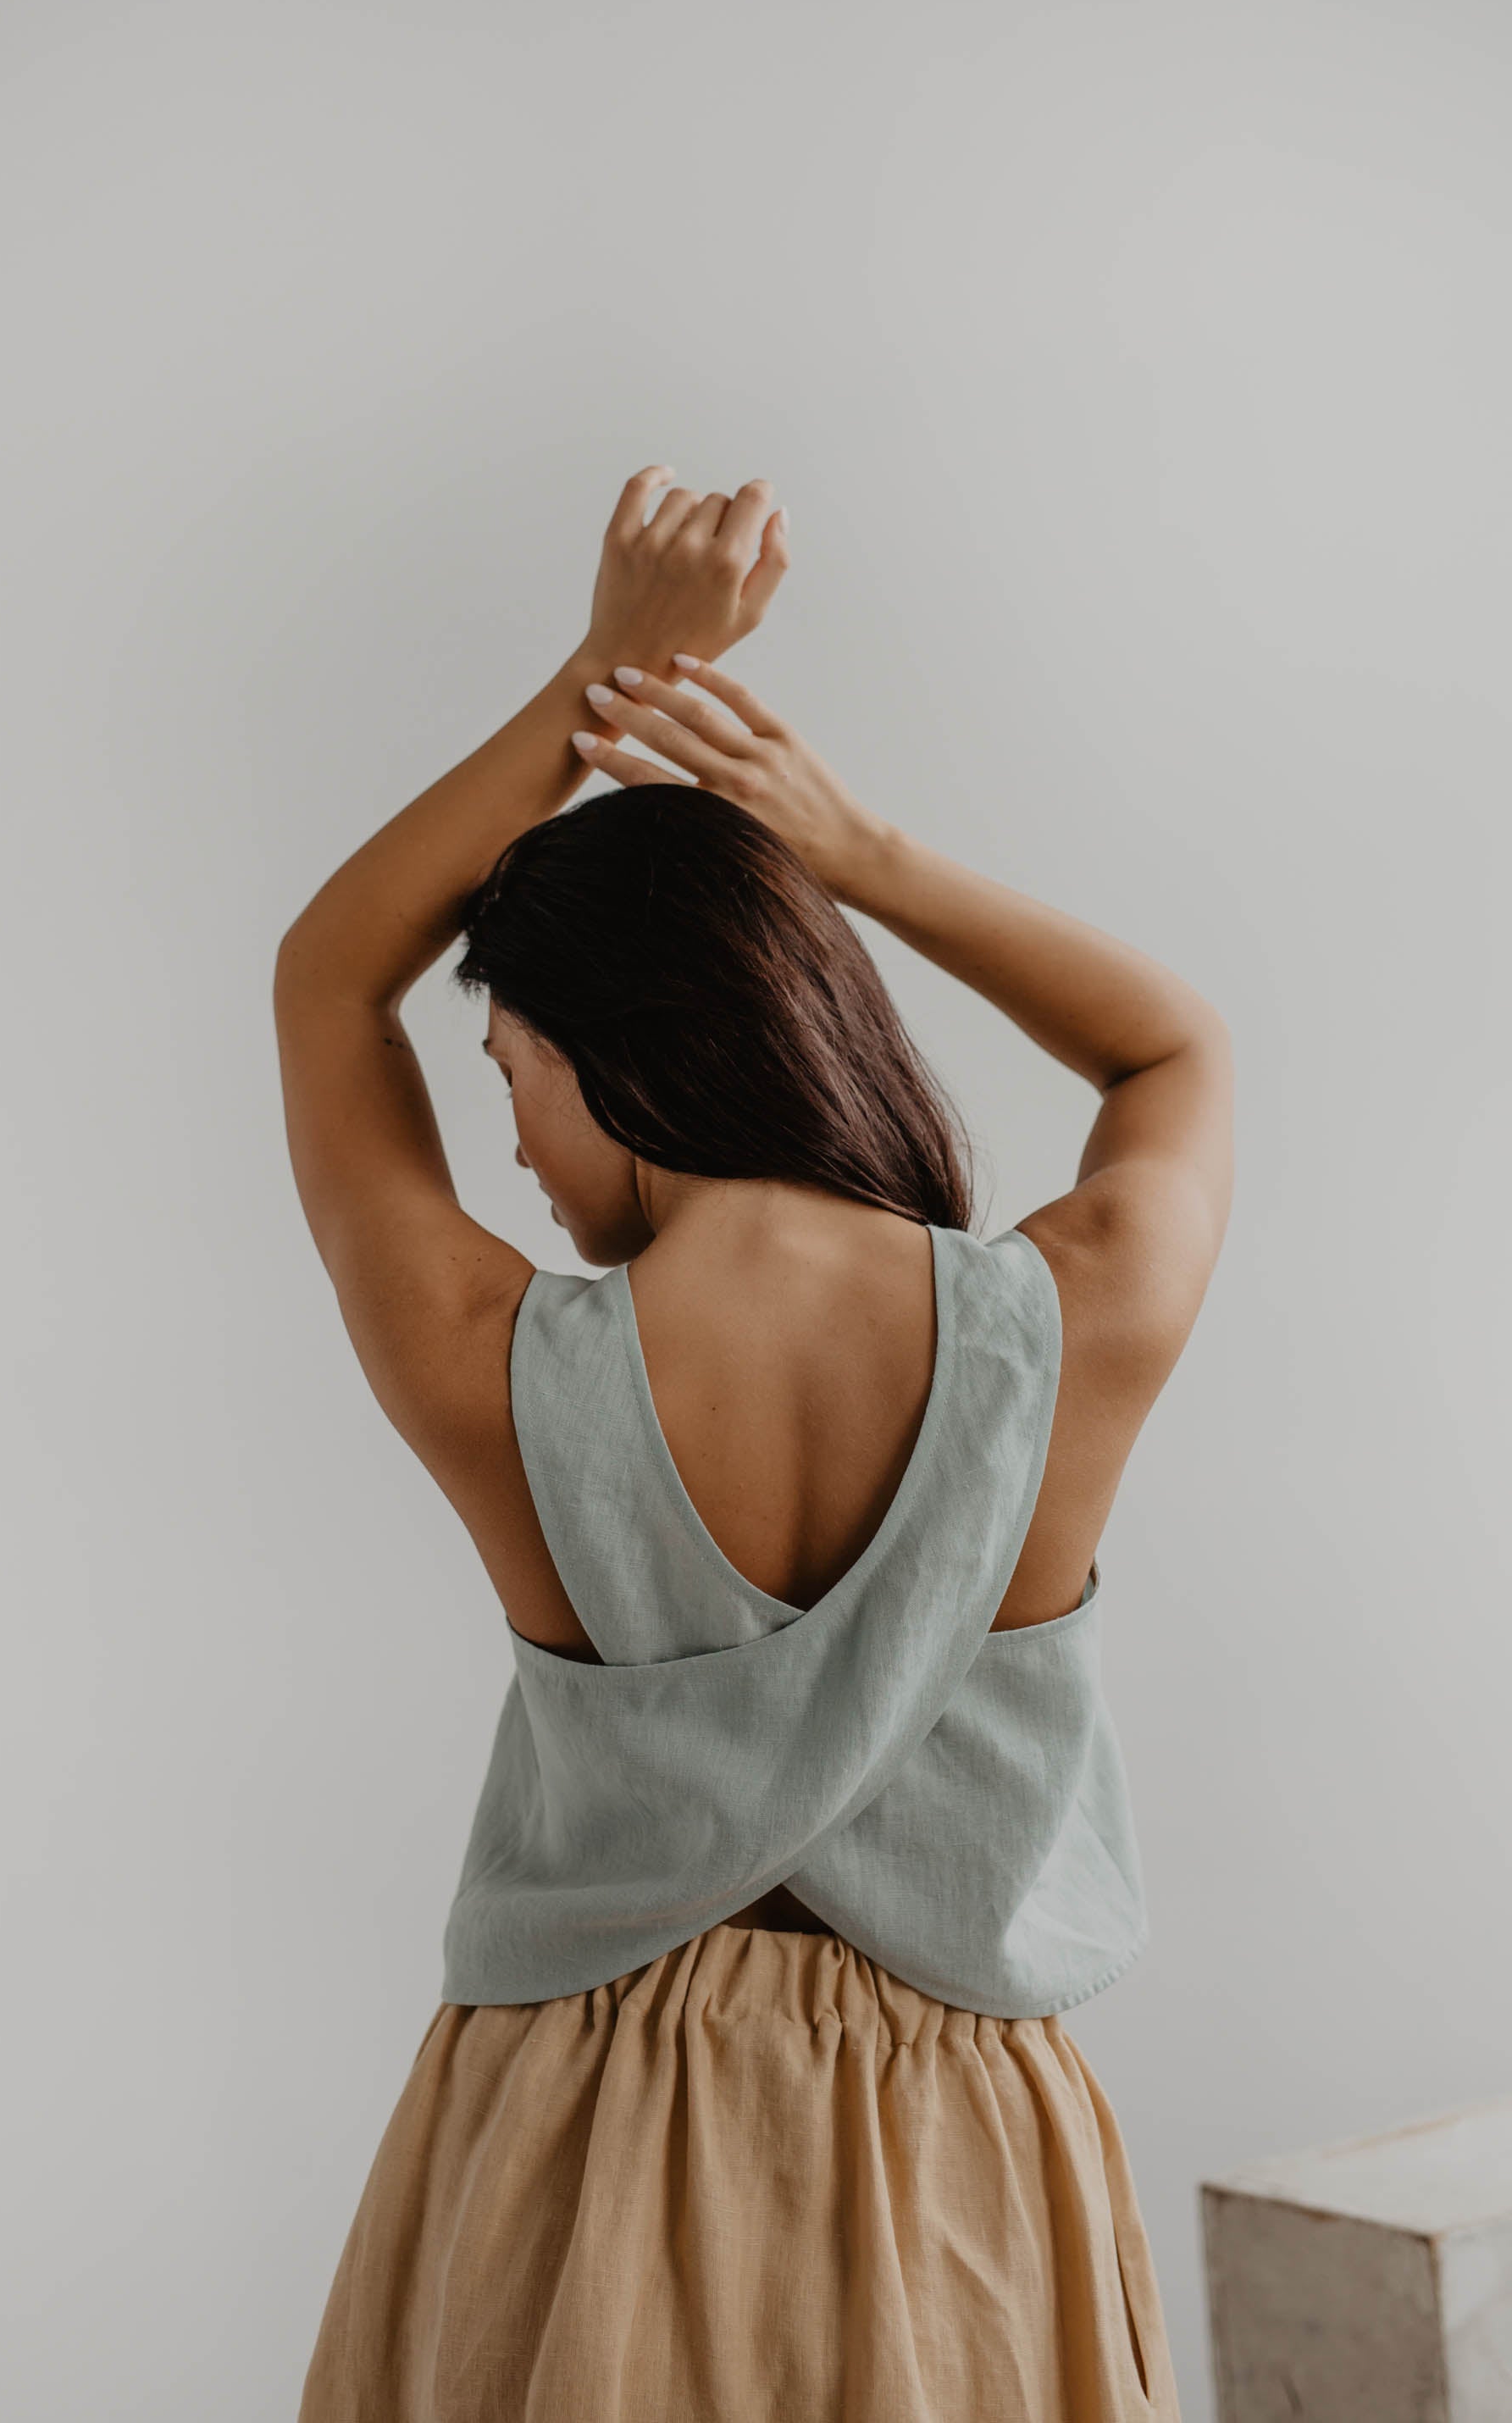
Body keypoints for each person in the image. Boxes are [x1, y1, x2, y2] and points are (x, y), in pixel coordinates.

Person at [274, 465, 1232, 2422]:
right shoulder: (1073, 1318)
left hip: (578, 2130)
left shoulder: (498, 1371)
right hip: (963, 2144)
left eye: (515, 1079)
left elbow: (322, 977)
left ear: (615, 1051)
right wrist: (847, 849)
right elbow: (1172, 1053)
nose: (521, 1157)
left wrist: (602, 682)